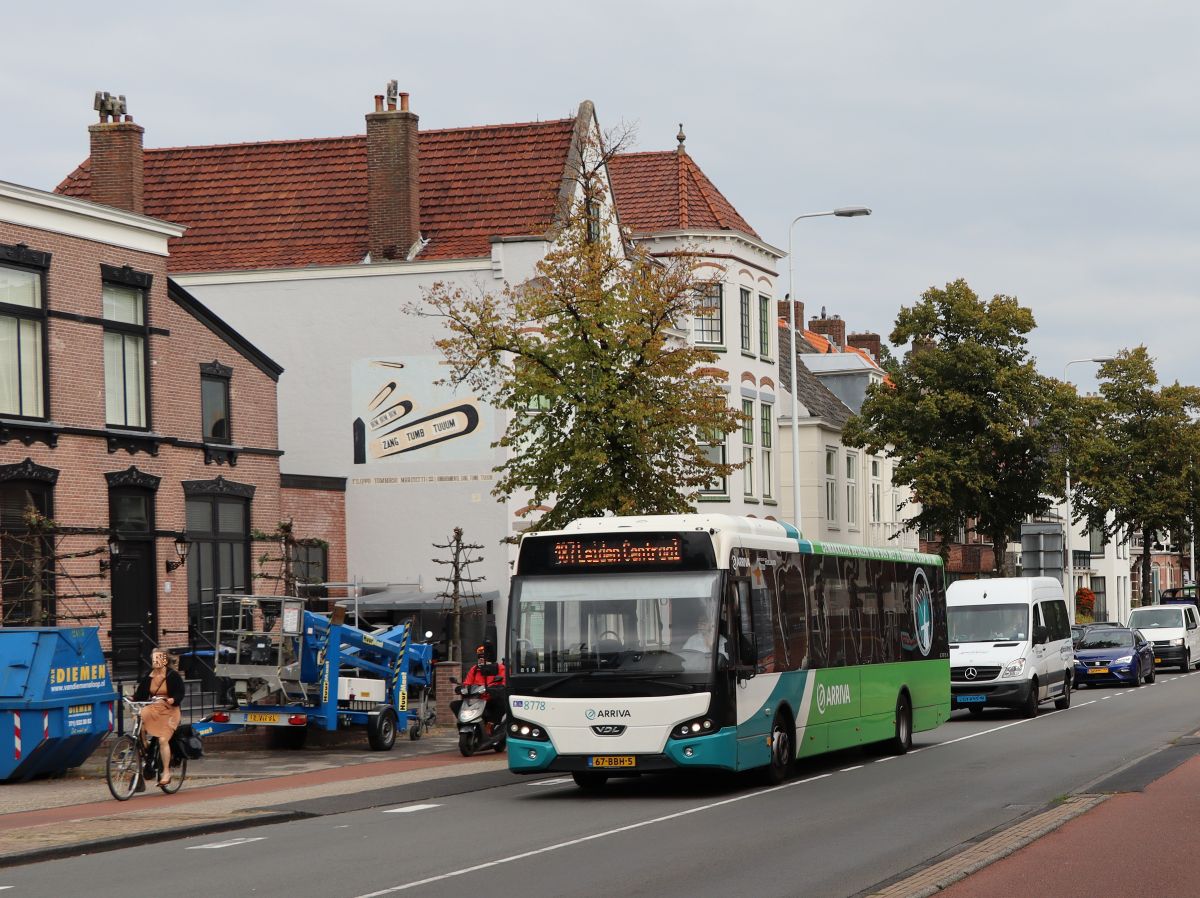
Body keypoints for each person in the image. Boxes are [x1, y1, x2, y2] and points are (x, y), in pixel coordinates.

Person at [133, 648, 185, 789]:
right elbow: (141, 695)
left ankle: (166, 773)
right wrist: (132, 698)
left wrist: (174, 699)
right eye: (153, 659)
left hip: (170, 710)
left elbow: (180, 692)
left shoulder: (172, 676)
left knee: (163, 740)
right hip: (155, 709)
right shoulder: (149, 676)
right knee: (138, 716)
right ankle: (146, 746)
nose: (155, 662)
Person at [453, 643, 507, 728]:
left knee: (501, 703)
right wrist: (462, 688)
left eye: (484, 656)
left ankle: (491, 725)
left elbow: (503, 683)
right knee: (455, 704)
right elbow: (467, 683)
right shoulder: (474, 669)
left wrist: (493, 689)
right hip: (476, 700)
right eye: (479, 656)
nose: (481, 659)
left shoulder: (500, 668)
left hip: (491, 699)